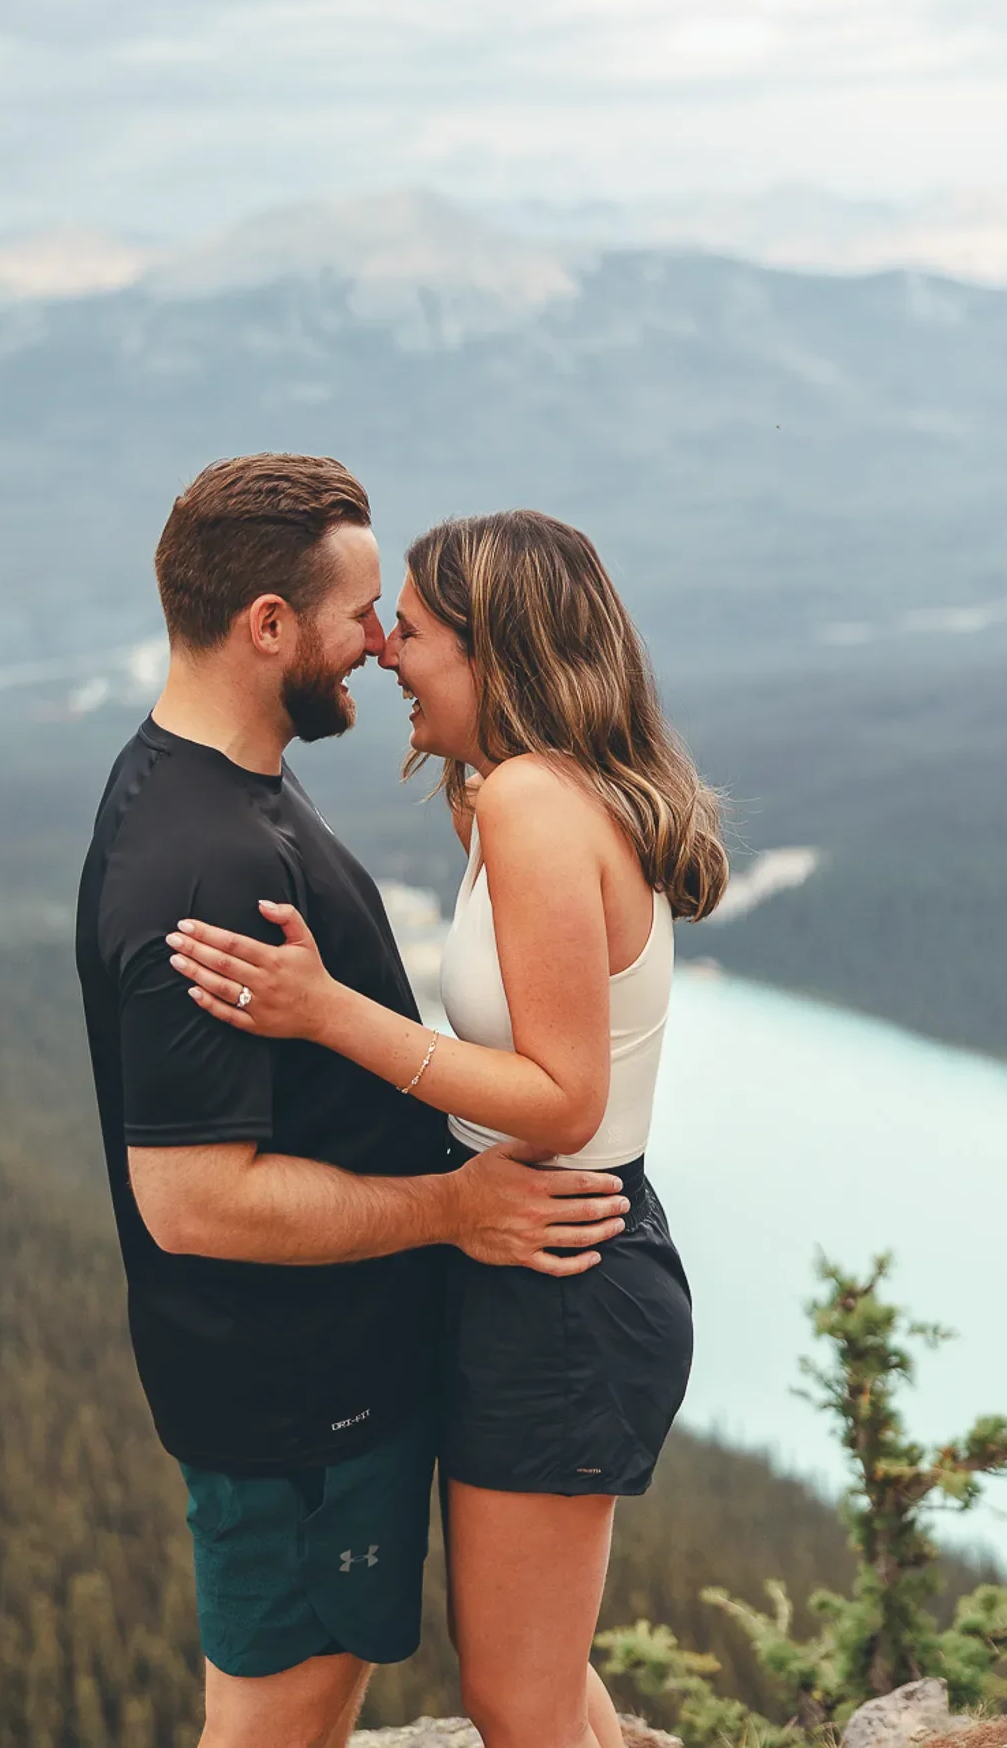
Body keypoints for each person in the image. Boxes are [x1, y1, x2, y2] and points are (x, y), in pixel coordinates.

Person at [75, 461, 632, 1748]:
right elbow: (194, 1198)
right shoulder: (204, 856)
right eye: (363, 612)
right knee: (282, 1729)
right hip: (295, 1406)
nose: (381, 643)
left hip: (314, 1391)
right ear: (268, 624)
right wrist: (455, 1207)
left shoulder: (216, 787)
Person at [166, 507, 730, 1748]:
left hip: (567, 1272)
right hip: (547, 1256)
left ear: (492, 651)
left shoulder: (532, 800)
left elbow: (564, 1096)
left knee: (515, 1699)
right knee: (545, 1675)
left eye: (409, 630)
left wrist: (328, 1014)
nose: (381, 652)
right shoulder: (510, 796)